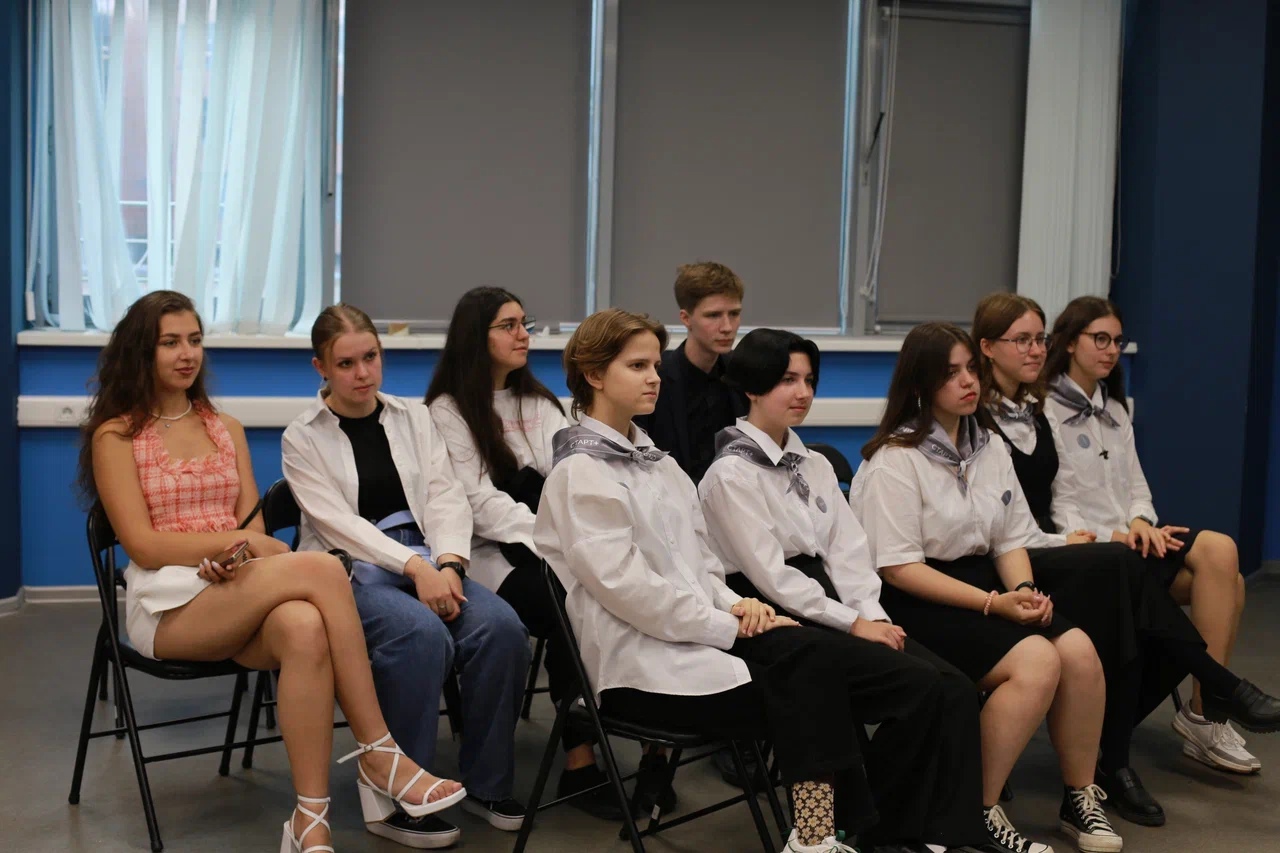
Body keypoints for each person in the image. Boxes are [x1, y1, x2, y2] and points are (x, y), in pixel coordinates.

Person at [534, 308, 959, 853]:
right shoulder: (580, 474)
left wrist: (737, 604)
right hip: (642, 671)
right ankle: (819, 833)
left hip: (703, 638)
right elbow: (631, 594)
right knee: (810, 674)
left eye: (656, 365)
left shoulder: (660, 465)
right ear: (594, 375)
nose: (654, 377)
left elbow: (703, 566)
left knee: (886, 674)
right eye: (637, 366)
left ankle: (854, 828)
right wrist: (727, 624)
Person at [81, 291, 463, 853]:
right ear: (141, 351)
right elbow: (143, 544)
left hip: (234, 586)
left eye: (194, 340)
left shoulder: (224, 427)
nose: (187, 354)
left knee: (305, 627)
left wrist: (236, 555)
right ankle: (379, 752)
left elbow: (251, 528)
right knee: (325, 571)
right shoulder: (115, 435)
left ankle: (309, 820)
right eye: (170, 343)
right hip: (167, 605)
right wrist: (237, 544)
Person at [972, 292, 1280, 825]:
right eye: (1022, 340)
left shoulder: (1039, 412)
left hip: (1059, 547)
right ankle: (1189, 710)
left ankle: (1199, 712)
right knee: (1129, 584)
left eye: (1038, 339)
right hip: (1038, 554)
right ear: (988, 347)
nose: (1035, 349)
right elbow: (1035, 516)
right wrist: (1095, 538)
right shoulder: (996, 417)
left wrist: (1139, 522)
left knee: (1216, 569)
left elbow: (1095, 494)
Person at [699, 329, 988, 852]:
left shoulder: (813, 463)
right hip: (774, 614)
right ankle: (870, 825)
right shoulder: (730, 474)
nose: (803, 393)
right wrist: (853, 624)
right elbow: (772, 577)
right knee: (919, 686)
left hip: (833, 600)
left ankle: (927, 826)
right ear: (753, 387)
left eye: (809, 380)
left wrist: (873, 615)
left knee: (956, 688)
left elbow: (849, 551)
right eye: (788, 380)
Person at [852, 322, 1123, 853]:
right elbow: (898, 568)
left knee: (1079, 651)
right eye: (950, 373)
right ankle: (978, 810)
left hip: (984, 585)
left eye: (971, 369)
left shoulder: (989, 446)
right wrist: (995, 604)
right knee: (1037, 662)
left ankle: (1079, 797)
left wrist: (1024, 591)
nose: (968, 382)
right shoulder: (896, 459)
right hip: (917, 597)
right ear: (919, 385)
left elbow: (1010, 538)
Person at [282, 304, 532, 846]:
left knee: (502, 631)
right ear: (320, 367)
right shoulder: (301, 438)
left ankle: (487, 783)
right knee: (419, 635)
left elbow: (445, 494)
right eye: (345, 363)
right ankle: (393, 795)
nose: (363, 373)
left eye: (370, 357)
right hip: (348, 573)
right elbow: (339, 525)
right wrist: (418, 569)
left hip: (430, 559)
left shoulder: (414, 418)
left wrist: (450, 563)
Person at [1042, 296, 1280, 774]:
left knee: (1221, 552)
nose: (1111, 350)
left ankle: (1204, 711)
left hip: (1133, 540)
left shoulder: (1114, 408)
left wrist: (1139, 522)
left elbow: (1138, 488)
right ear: (1068, 343)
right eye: (1100, 339)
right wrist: (1116, 534)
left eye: (1117, 341)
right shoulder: (1045, 410)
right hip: (1094, 550)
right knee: (1231, 586)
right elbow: (1059, 507)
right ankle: (1205, 715)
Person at [425, 286, 624, 819]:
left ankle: (606, 726)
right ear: (476, 336)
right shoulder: (447, 411)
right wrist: (554, 536)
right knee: (566, 602)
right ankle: (580, 755)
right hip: (488, 554)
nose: (523, 335)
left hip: (555, 542)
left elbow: (573, 477)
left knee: (594, 593)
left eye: (524, 324)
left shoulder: (539, 402)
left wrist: (566, 536)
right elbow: (476, 503)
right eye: (508, 326)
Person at [634, 260, 748, 484]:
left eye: (734, 314)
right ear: (686, 318)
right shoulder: (654, 379)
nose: (727, 327)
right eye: (713, 315)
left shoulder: (744, 375)